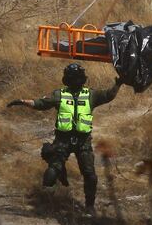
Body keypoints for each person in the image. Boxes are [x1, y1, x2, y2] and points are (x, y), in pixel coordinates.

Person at [7, 63, 123, 216]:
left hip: (83, 142)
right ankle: (49, 203)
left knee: (90, 175)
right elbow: (41, 104)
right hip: (63, 140)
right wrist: (23, 102)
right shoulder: (59, 95)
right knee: (51, 173)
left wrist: (118, 84)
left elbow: (108, 95)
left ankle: (89, 206)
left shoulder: (90, 95)